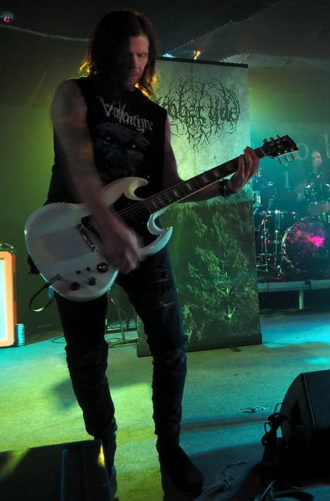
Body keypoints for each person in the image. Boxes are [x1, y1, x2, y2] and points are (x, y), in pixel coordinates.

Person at [42, 10, 259, 496]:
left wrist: (226, 186)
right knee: (87, 354)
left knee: (171, 345)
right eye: (128, 54)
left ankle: (170, 447)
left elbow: (170, 186)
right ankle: (103, 449)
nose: (136, 64)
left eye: (143, 55)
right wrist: (108, 224)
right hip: (74, 235)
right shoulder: (73, 93)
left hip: (143, 239)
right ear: (105, 51)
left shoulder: (155, 115)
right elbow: (79, 165)